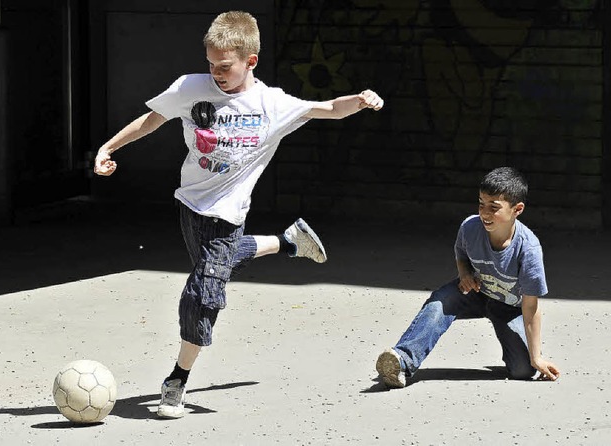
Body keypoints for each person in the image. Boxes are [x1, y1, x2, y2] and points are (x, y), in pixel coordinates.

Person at [93, 11, 384, 418]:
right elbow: (153, 119)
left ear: (251, 61)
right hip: (191, 207)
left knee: (202, 294)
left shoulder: (271, 104)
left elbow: (330, 108)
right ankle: (286, 242)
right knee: (217, 264)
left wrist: (360, 99)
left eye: (224, 66)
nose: (216, 74)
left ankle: (176, 380)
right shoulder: (190, 88)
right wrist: (108, 148)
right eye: (210, 64)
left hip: (229, 215)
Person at [375, 167, 561, 388]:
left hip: (508, 308)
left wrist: (536, 357)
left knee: (523, 370)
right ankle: (401, 361)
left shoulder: (528, 249)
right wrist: (464, 274)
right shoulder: (470, 227)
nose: (485, 213)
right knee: (438, 305)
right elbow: (461, 253)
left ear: (517, 209)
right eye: (481, 204)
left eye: (494, 208)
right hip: (474, 292)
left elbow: (531, 307)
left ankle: (519, 353)